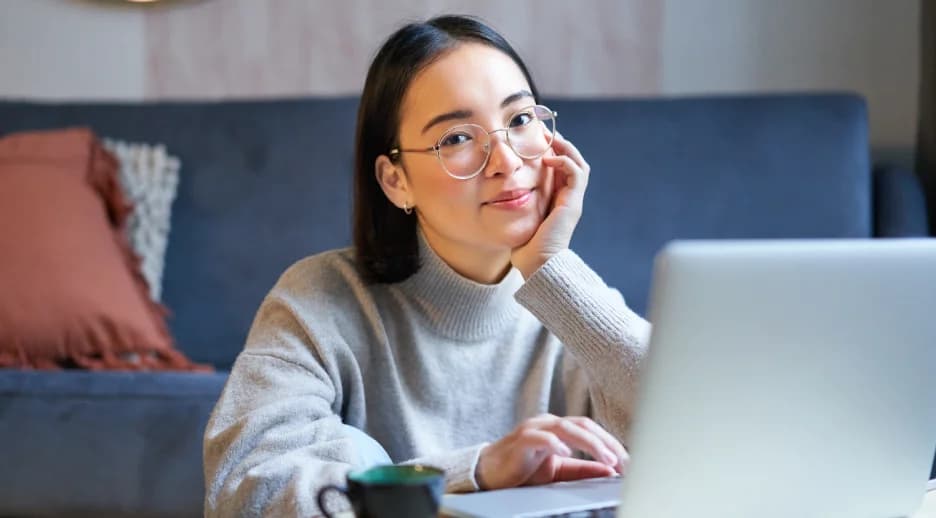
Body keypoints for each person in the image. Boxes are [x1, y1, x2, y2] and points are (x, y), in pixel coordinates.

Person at [203, 14, 651, 517]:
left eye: (521, 119)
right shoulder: (316, 301)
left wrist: (552, 268)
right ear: (396, 181)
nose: (506, 160)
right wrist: (474, 471)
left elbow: (702, 437)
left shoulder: (577, 310)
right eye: (457, 138)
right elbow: (245, 491)